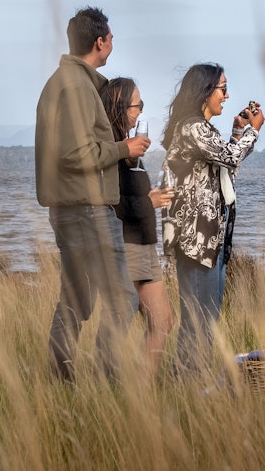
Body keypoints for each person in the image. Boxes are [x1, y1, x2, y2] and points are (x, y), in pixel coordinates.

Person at [35, 7, 151, 383]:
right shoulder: (75, 86)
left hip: (72, 210)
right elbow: (74, 154)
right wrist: (124, 148)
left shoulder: (72, 82)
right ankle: (108, 381)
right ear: (100, 42)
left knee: (76, 301)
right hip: (86, 211)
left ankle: (59, 380)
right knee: (122, 301)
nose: (113, 43)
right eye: (111, 38)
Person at [161, 63, 265, 374]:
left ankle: (190, 386)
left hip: (212, 239)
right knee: (199, 322)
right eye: (222, 89)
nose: (227, 95)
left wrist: (236, 134)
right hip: (196, 241)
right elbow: (231, 157)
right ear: (206, 92)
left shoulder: (204, 130)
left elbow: (225, 168)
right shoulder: (192, 128)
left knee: (207, 320)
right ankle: (187, 386)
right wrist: (253, 132)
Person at [100, 77, 175, 376]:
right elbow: (112, 205)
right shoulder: (109, 150)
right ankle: (109, 383)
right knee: (122, 319)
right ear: (120, 108)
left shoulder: (129, 153)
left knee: (162, 321)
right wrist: (150, 203)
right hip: (127, 245)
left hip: (145, 246)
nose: (141, 112)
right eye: (137, 106)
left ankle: (141, 390)